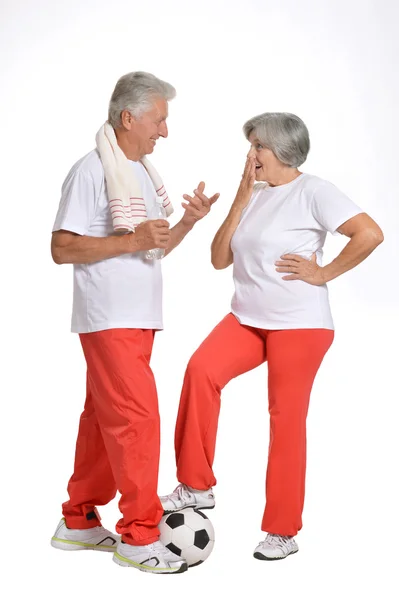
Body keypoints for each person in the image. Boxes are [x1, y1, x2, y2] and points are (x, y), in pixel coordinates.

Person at [160, 112, 384, 561]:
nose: (250, 155)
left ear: (282, 150)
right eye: (250, 146)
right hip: (248, 318)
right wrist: (240, 198)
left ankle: (282, 531)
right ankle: (196, 486)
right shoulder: (255, 194)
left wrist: (323, 272)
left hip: (299, 325)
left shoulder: (315, 190)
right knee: (201, 370)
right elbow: (219, 259)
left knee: (285, 419)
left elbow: (370, 234)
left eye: (257, 146)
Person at [50, 71, 219, 574]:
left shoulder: (140, 172)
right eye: (159, 120)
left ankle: (78, 522)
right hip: (110, 317)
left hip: (138, 318)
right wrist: (131, 241)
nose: (164, 132)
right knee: (138, 422)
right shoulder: (91, 171)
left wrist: (187, 221)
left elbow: (154, 246)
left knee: (104, 421)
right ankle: (139, 537)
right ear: (129, 117)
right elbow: (61, 248)